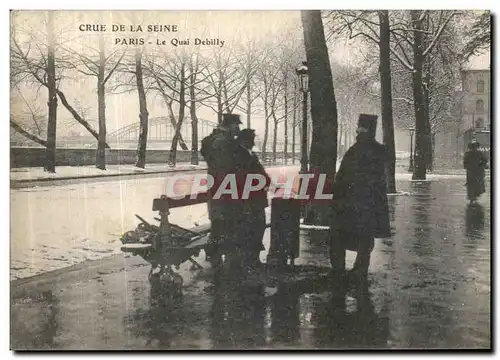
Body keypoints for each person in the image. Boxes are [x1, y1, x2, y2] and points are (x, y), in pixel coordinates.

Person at [329, 114, 391, 287]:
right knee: (365, 236)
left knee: (339, 235)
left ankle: (340, 270)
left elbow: (344, 176)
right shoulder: (379, 150)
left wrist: (337, 193)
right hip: (370, 203)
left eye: (360, 129)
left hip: (352, 201)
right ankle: (360, 269)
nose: (358, 131)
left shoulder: (355, 150)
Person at [200, 113, 242, 271]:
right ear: (229, 125)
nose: (238, 128)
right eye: (236, 125)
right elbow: (227, 166)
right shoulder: (223, 142)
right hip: (224, 187)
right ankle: (218, 257)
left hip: (218, 186)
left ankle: (216, 255)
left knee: (219, 222)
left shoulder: (216, 140)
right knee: (224, 222)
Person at [233, 129, 271, 275]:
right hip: (248, 200)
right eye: (252, 139)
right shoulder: (239, 155)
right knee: (250, 229)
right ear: (245, 140)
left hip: (255, 199)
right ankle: (249, 262)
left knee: (257, 227)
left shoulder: (249, 154)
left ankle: (252, 260)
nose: (254, 142)